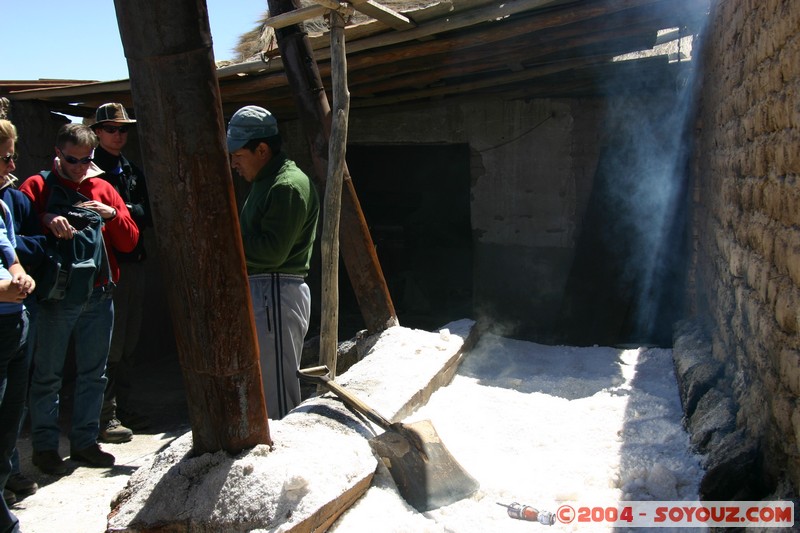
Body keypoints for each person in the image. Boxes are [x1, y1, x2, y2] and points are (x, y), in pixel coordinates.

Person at [19, 123, 139, 475]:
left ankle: (86, 442)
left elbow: (129, 241)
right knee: (47, 376)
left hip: (99, 295)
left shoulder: (101, 186)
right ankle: (44, 447)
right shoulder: (36, 187)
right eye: (73, 160)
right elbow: (16, 239)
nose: (80, 168)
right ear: (57, 153)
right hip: (55, 298)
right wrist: (45, 218)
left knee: (94, 374)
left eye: (87, 161)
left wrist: (111, 214)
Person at [226, 105, 319, 419]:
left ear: (261, 149)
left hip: (275, 291)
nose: (234, 164)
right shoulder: (265, 182)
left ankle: (284, 462)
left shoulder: (286, 186)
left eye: (238, 156)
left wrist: (224, 238)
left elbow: (271, 252)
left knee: (277, 395)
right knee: (265, 386)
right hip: (267, 292)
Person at [90, 103, 152, 444]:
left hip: (134, 263)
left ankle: (123, 409)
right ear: (97, 132)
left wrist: (122, 212)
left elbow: (148, 211)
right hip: (105, 268)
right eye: (112, 129)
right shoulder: (89, 170)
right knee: (110, 345)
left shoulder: (131, 170)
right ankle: (105, 415)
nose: (119, 135)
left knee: (128, 341)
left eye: (123, 129)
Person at [0, 120, 45, 505]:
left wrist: (20, 276)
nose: (12, 167)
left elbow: (9, 252)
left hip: (15, 324)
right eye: (6, 157)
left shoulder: (1, 204)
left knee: (7, 428)